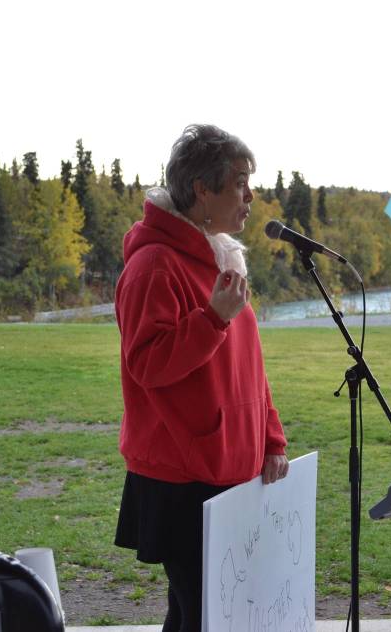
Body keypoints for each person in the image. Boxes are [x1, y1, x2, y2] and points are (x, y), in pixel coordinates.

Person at [113, 124, 289, 630]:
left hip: (230, 464)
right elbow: (147, 364)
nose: (250, 196)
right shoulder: (153, 265)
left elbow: (248, 366)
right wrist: (211, 318)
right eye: (238, 182)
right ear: (201, 191)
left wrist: (271, 437)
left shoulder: (220, 257)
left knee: (203, 611)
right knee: (205, 613)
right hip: (181, 475)